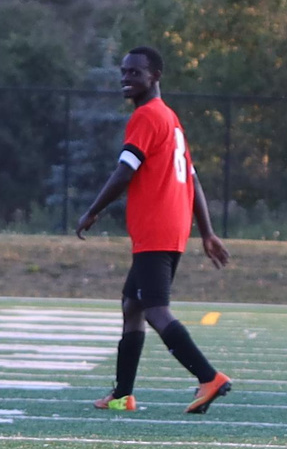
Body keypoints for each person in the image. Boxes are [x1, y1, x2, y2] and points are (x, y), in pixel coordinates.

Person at [71, 45, 232, 413]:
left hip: (157, 228)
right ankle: (122, 394)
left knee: (156, 310)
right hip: (170, 226)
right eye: (123, 72)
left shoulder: (146, 116)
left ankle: (209, 377)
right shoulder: (170, 119)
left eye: (135, 72)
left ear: (155, 76)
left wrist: (93, 211)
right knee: (133, 305)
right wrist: (206, 232)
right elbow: (193, 178)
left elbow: (124, 171)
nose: (126, 78)